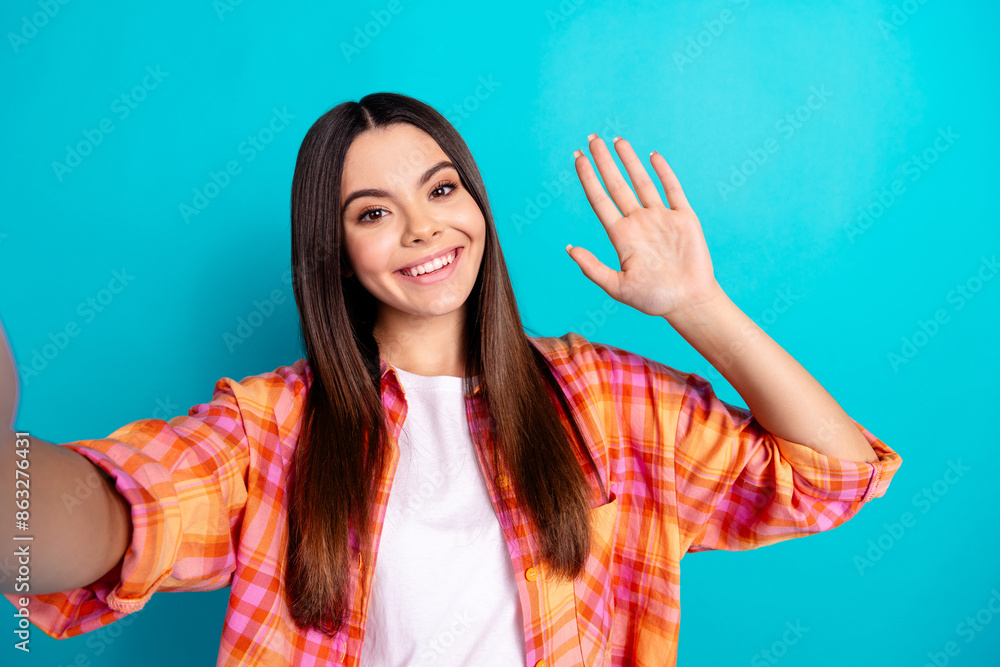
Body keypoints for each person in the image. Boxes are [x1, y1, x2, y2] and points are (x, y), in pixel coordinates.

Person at [1, 92, 902, 666]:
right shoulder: (272, 426)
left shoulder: (607, 399)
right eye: (374, 213)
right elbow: (123, 512)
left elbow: (833, 475)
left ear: (475, 201)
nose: (424, 230)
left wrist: (698, 305)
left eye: (441, 190)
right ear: (337, 253)